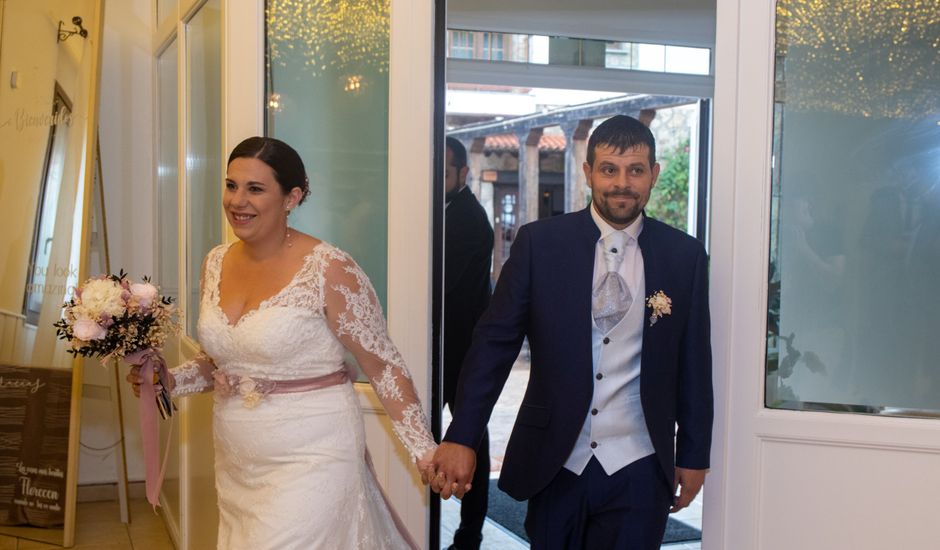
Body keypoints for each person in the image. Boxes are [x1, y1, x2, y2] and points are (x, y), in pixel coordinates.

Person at [128, 136, 436, 549]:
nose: (238, 200)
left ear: (292, 197)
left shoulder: (329, 268)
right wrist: (166, 381)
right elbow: (222, 360)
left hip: (314, 457)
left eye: (255, 189)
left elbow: (383, 366)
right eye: (231, 185)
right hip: (238, 461)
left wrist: (425, 451)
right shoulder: (216, 262)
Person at [429, 115, 713, 549]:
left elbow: (695, 362)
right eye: (609, 169)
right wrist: (463, 434)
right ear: (588, 172)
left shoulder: (684, 256)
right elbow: (494, 345)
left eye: (635, 170)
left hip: (640, 464)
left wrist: (694, 454)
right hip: (556, 460)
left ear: (653, 175)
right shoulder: (539, 244)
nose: (622, 183)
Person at [442, 137, 494, 550]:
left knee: (470, 438)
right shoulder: (441, 211)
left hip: (462, 349)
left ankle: (469, 533)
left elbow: (445, 287)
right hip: (442, 349)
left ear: (463, 174)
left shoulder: (470, 220)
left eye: (444, 173)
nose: (437, 180)